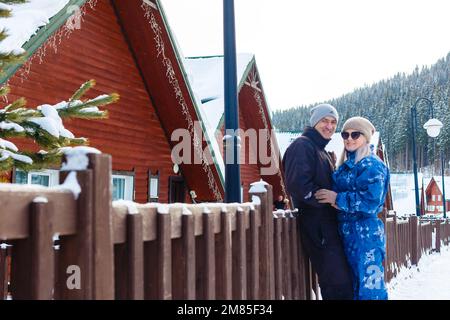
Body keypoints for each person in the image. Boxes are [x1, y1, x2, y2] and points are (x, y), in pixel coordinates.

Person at [282, 103, 354, 300]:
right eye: (325, 121)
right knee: (337, 285)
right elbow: (298, 186)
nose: (329, 126)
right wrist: (329, 200)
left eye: (333, 122)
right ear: (314, 122)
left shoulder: (319, 150)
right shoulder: (302, 146)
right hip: (318, 228)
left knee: (341, 283)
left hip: (327, 227)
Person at [314, 117, 390, 300]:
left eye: (355, 134)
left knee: (371, 289)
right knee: (354, 289)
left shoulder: (372, 165)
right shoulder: (345, 166)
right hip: (347, 236)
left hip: (366, 238)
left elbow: (371, 201)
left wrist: (337, 199)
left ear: (365, 137)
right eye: (345, 134)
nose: (349, 138)